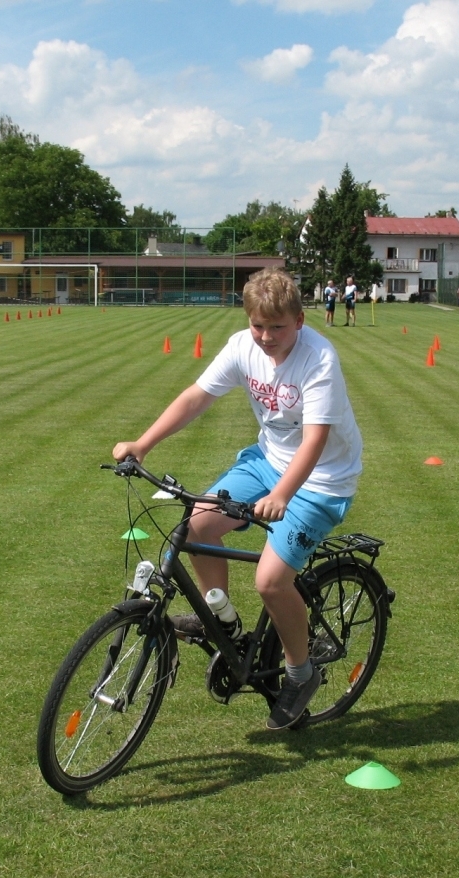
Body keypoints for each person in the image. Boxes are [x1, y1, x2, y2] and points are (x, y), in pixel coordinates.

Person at [111, 268, 363, 731]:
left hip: (322, 478)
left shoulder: (319, 360)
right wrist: (142, 444)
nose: (266, 337)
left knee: (270, 581)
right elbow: (196, 396)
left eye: (277, 327)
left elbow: (315, 439)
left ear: (300, 320)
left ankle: (300, 674)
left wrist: (282, 494)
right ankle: (221, 619)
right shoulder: (242, 346)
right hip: (267, 461)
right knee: (198, 524)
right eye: (257, 325)